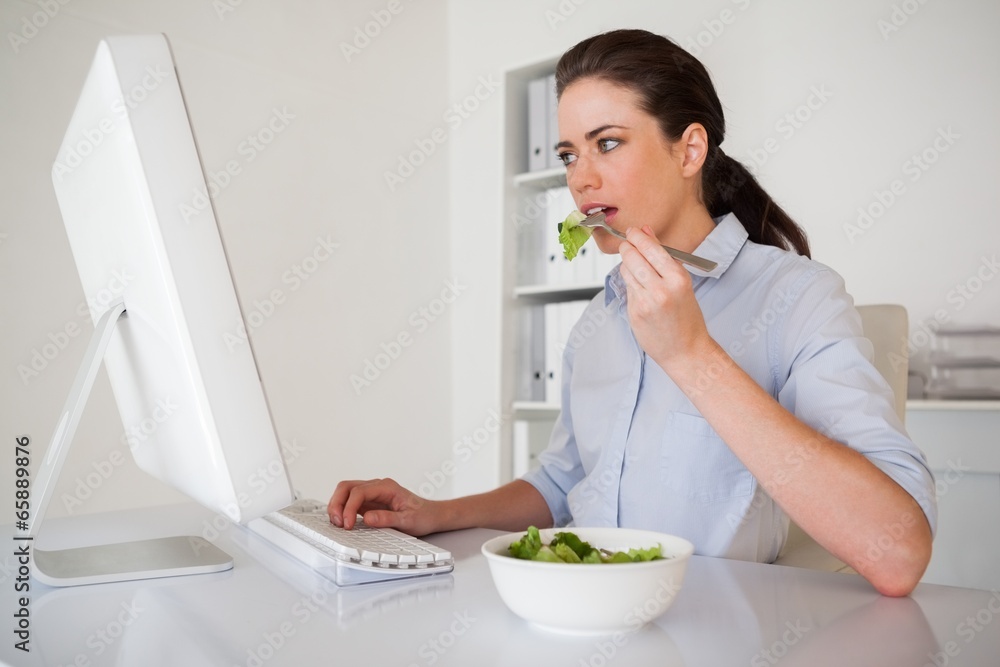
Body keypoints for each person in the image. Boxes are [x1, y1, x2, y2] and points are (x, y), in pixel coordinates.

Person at [328, 29, 936, 597]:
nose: (581, 179)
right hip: (580, 616)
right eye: (569, 154)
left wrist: (691, 355)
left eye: (608, 143)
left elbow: (899, 553)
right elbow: (563, 483)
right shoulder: (599, 319)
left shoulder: (799, 297)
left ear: (690, 149)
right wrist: (435, 513)